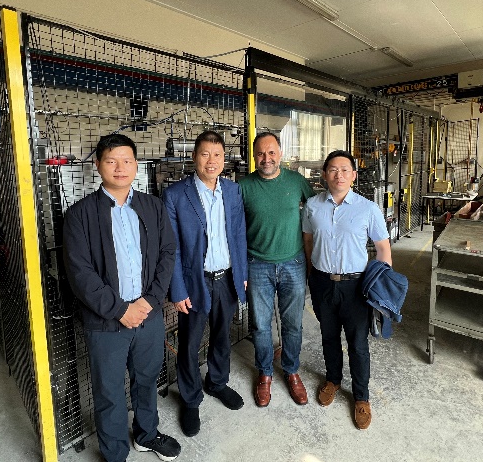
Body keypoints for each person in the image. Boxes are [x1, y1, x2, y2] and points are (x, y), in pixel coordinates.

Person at [63, 134, 181, 462]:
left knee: (147, 379)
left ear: (136, 165)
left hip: (148, 315)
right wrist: (119, 310)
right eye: (111, 161)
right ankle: (115, 457)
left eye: (127, 161)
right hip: (106, 322)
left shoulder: (152, 206)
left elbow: (167, 253)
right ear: (98, 165)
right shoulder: (80, 215)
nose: (120, 167)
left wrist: (150, 301)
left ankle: (146, 435)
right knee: (109, 392)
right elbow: (80, 273)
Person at [163, 131, 248, 437]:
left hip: (227, 277)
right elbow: (171, 248)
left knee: (223, 336)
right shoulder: (175, 195)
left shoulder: (233, 191)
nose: (211, 161)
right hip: (194, 282)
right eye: (205, 154)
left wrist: (242, 273)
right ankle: (190, 399)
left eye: (217, 155)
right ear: (194, 157)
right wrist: (177, 289)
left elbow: (238, 234)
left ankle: (217, 382)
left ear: (224, 159)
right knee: (189, 343)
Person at [301, 150, 392, 430]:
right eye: (332, 169)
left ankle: (361, 397)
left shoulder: (368, 209)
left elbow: (383, 249)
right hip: (322, 283)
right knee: (329, 336)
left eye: (344, 170)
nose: (338, 175)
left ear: (353, 175)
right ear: (324, 175)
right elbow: (308, 241)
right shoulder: (312, 206)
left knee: (357, 343)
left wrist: (380, 288)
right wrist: (312, 275)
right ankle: (333, 380)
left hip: (356, 286)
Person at [239, 132, 316, 407]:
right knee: (260, 325)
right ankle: (265, 372)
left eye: (271, 152)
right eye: (260, 153)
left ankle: (292, 370)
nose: (266, 158)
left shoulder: (297, 182)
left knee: (292, 323)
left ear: (280, 154)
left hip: (293, 263)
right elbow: (235, 228)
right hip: (256, 264)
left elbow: (316, 212)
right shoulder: (244, 186)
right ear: (254, 156)